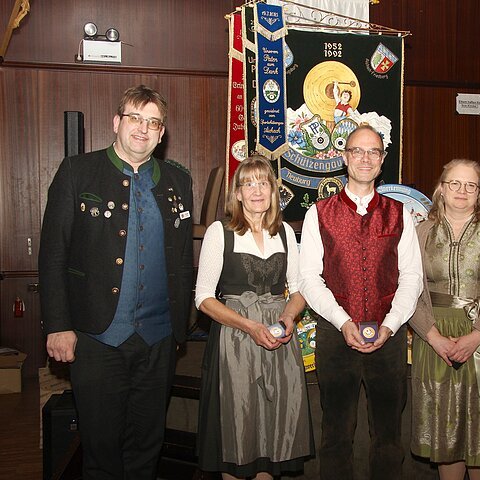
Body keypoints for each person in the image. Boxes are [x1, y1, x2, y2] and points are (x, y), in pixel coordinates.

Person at [39, 85, 194, 479]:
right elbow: (53, 255)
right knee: (101, 450)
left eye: (153, 122)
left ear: (162, 133)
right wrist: (58, 325)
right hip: (96, 338)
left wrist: (181, 325)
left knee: (147, 447)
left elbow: (182, 260)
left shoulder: (178, 181)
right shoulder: (77, 171)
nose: (143, 128)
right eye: (135, 118)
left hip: (159, 339)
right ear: (116, 122)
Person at [298, 125, 423, 480]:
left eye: (373, 152)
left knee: (388, 436)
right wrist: (342, 321)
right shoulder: (319, 213)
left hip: (389, 337)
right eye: (357, 151)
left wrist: (391, 325)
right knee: (336, 434)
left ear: (382, 160)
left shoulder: (400, 214)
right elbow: (309, 278)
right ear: (345, 157)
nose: (365, 158)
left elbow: (412, 277)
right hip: (335, 335)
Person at [195, 155, 313, 480]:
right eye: (248, 184)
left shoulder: (285, 232)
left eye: (263, 183)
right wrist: (249, 326)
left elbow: (299, 290)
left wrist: (288, 317)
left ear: (274, 192)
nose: (257, 190)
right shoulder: (220, 232)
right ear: (238, 193)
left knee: (273, 437)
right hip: (234, 343)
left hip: (278, 341)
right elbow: (203, 298)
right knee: (236, 435)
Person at [410, 159, 480, 480]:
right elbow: (407, 292)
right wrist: (433, 336)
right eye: (455, 184)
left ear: (479, 192)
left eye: (470, 185)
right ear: (441, 189)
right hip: (436, 342)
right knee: (446, 436)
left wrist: (477, 336)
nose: (462, 190)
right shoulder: (419, 233)